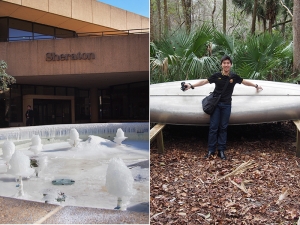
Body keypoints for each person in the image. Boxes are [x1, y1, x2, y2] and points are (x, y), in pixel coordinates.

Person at [184, 55, 263, 160]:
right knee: (213, 127)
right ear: (221, 64)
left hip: (226, 105)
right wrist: (191, 85)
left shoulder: (234, 77)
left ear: (230, 64)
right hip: (216, 105)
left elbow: (245, 82)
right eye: (224, 63)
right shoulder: (217, 76)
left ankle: (221, 150)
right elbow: (204, 81)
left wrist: (256, 86)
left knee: (223, 128)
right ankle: (211, 151)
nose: (226, 65)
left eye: (228, 63)